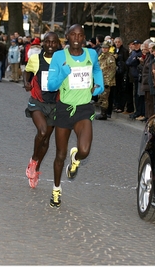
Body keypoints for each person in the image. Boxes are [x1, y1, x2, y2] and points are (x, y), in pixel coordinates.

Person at [47, 24, 104, 208]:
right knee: (60, 155)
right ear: (67, 37)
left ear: (84, 37)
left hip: (84, 109)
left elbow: (96, 70)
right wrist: (63, 73)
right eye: (73, 35)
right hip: (64, 108)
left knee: (85, 150)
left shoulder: (92, 54)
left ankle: (76, 158)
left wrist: (99, 84)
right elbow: (51, 85)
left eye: (80, 35)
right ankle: (56, 189)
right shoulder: (59, 56)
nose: (77, 38)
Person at [23, 32, 61, 189]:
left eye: (54, 42)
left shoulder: (62, 61)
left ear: (58, 44)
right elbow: (27, 72)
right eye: (48, 42)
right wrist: (26, 82)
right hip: (37, 102)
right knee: (43, 131)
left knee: (46, 139)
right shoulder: (35, 59)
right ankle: (33, 160)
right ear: (43, 43)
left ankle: (36, 168)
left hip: (55, 104)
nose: (51, 45)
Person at [95, 41, 116, 120]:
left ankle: (104, 113)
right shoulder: (101, 56)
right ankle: (102, 112)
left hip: (106, 80)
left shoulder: (110, 57)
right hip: (100, 79)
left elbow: (112, 70)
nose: (104, 49)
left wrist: (108, 81)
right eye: (103, 48)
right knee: (100, 96)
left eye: (106, 48)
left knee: (104, 97)